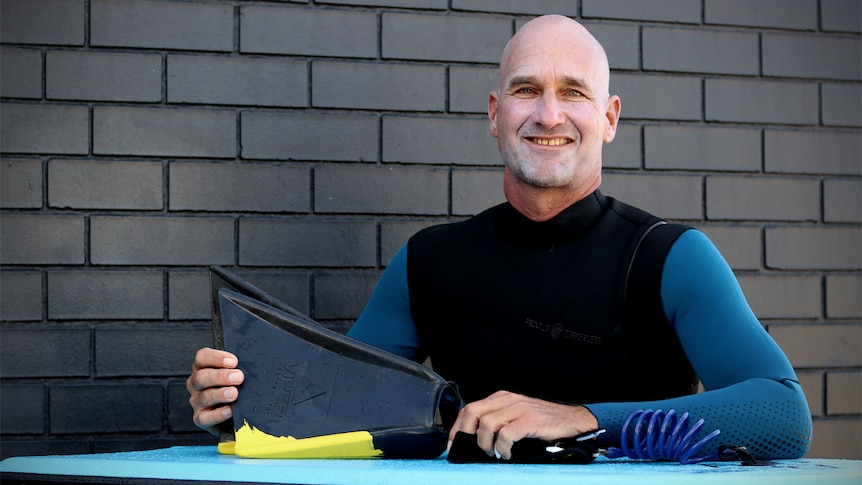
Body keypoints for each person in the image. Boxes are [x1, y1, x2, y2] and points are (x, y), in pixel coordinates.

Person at [188, 15, 812, 461]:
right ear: (495, 114)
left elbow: (784, 416)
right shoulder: (428, 261)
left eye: (574, 92)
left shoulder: (671, 258)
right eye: (526, 91)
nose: (548, 114)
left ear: (609, 118)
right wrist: (240, 397)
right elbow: (337, 409)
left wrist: (583, 419)